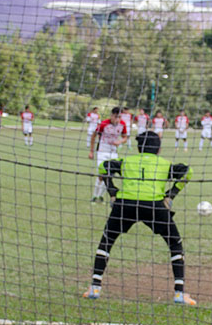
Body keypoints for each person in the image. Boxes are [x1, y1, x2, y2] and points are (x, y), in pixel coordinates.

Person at [83, 131, 195, 305]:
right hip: (154, 206)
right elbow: (188, 172)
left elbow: (104, 167)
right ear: (158, 149)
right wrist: (171, 195)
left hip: (125, 205)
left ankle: (95, 288)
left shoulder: (127, 161)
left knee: (107, 240)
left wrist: (112, 192)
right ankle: (179, 294)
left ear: (138, 148)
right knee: (175, 244)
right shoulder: (165, 164)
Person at [88, 107, 127, 202]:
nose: (118, 119)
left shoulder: (122, 124)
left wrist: (120, 141)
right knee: (102, 175)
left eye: (120, 117)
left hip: (113, 153)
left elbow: (125, 137)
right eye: (116, 117)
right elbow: (94, 136)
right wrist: (91, 151)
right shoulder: (104, 124)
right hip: (102, 151)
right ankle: (95, 196)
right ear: (111, 116)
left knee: (110, 176)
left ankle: (100, 196)